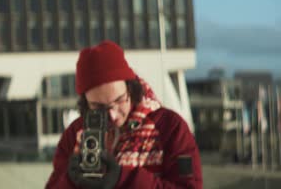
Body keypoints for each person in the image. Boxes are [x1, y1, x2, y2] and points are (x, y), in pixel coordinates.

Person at [45, 40, 202, 189]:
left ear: (131, 88)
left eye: (119, 100)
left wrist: (124, 178)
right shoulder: (74, 135)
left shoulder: (170, 127)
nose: (112, 115)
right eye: (98, 107)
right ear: (85, 102)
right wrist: (70, 181)